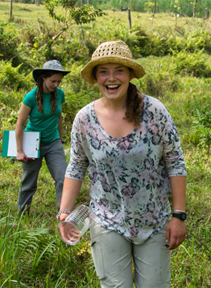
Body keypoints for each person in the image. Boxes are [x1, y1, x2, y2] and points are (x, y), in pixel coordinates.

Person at [57, 40, 187, 287]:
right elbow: (76, 166)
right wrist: (65, 213)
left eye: (119, 70)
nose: (111, 78)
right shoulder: (84, 119)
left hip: (154, 220)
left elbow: (175, 162)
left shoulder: (155, 112)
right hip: (106, 220)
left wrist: (178, 215)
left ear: (129, 75)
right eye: (103, 71)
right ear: (95, 78)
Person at [15, 60, 70, 216]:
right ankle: (23, 215)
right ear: (44, 78)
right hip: (33, 143)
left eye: (59, 81)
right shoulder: (31, 97)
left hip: (53, 142)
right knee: (29, 182)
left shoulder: (59, 94)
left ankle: (63, 214)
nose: (56, 85)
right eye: (53, 81)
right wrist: (20, 150)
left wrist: (60, 138)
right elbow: (19, 124)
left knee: (63, 178)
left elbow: (58, 116)